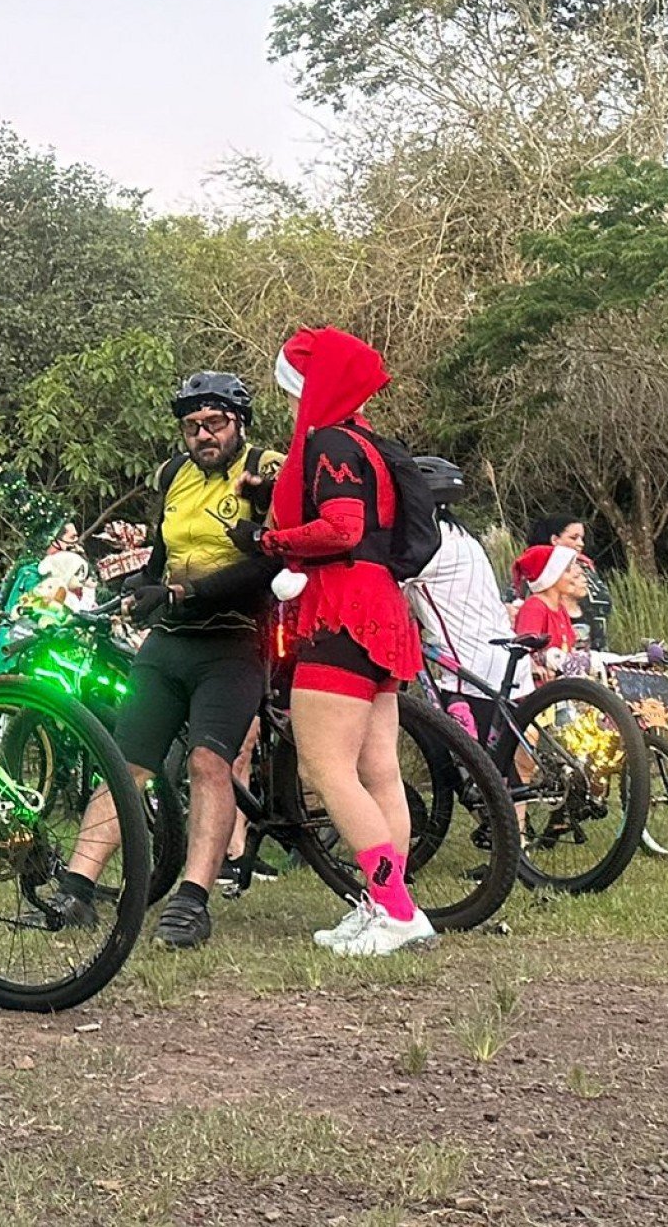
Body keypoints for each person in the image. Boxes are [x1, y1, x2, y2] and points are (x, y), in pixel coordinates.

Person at [52, 371, 283, 950]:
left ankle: (191, 900)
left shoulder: (266, 469)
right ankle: (76, 889)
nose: (203, 435)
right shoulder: (176, 477)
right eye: (192, 426)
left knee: (210, 762)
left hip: (234, 640)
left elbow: (268, 562)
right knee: (126, 760)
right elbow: (163, 554)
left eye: (215, 423)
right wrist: (139, 587)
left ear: (239, 424)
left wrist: (183, 593)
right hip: (172, 641)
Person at [237, 328, 429, 957]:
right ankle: (390, 905)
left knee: (328, 767)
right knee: (378, 769)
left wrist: (271, 543)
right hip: (383, 608)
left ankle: (393, 909)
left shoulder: (331, 443)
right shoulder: (369, 442)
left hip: (342, 609)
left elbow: (342, 527)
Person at [404, 456, 528, 744]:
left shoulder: (427, 546)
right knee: (499, 766)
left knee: (472, 760)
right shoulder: (463, 538)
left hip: (468, 667)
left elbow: (384, 585)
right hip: (500, 656)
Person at [526, 514, 611, 648]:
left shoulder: (585, 566)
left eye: (582, 538)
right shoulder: (535, 579)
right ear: (554, 539)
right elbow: (527, 645)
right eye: (573, 538)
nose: (580, 544)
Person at [513, 543, 587, 676]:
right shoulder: (534, 607)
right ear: (552, 575)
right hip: (544, 692)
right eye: (567, 571)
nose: (572, 577)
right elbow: (522, 649)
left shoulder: (561, 609)